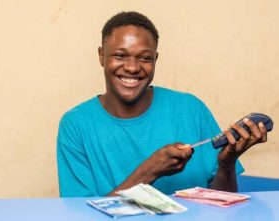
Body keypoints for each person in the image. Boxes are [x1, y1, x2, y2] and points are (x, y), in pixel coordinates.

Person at [57, 11, 268, 197]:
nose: (132, 67)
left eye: (145, 58)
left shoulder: (190, 108)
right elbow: (82, 215)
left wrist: (226, 164)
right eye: (120, 55)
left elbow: (223, 203)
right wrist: (150, 171)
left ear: (155, 59)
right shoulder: (76, 124)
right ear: (101, 56)